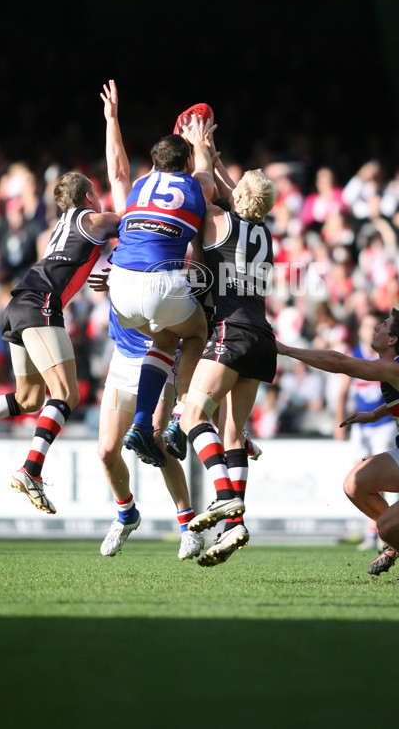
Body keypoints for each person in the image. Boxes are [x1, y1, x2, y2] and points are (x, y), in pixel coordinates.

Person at [0, 171, 120, 514]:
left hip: (19, 302)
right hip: (41, 304)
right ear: (90, 196)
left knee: (29, 397)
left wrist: (106, 266)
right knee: (66, 393)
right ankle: (31, 469)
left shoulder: (61, 226)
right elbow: (133, 225)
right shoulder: (94, 218)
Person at [277, 308, 399, 585]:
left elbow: (339, 362)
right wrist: (375, 414)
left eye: (383, 325)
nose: (376, 327)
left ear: (392, 339)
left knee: (387, 527)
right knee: (354, 484)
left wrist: (285, 349)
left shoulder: (397, 367)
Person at [94, 79, 203, 560]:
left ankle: (188, 527)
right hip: (129, 348)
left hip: (148, 329)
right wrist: (113, 121)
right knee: (105, 451)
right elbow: (117, 167)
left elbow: (120, 171)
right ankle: (125, 514)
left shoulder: (140, 197)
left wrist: (113, 120)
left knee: (155, 444)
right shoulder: (173, 195)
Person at [178, 118, 278, 567]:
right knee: (233, 432)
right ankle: (235, 524)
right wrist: (216, 156)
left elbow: (204, 191)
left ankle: (223, 499)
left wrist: (199, 149)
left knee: (191, 414)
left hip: (231, 331)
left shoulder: (221, 223)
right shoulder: (265, 233)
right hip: (262, 336)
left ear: (238, 196)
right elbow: (237, 193)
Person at [106, 104, 215, 470]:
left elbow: (118, 171)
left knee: (165, 338)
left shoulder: (138, 186)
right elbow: (206, 174)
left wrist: (112, 119)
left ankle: (140, 422)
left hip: (118, 284)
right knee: (197, 332)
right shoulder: (195, 185)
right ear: (185, 162)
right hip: (160, 282)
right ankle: (180, 414)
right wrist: (201, 142)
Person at [335, 310, 398, 551]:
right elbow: (342, 392)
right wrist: (338, 423)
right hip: (361, 427)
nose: (370, 332)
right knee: (359, 477)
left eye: (375, 327)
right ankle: (373, 529)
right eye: (366, 327)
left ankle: (390, 529)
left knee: (383, 476)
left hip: (384, 424)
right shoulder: (355, 355)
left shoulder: (389, 358)